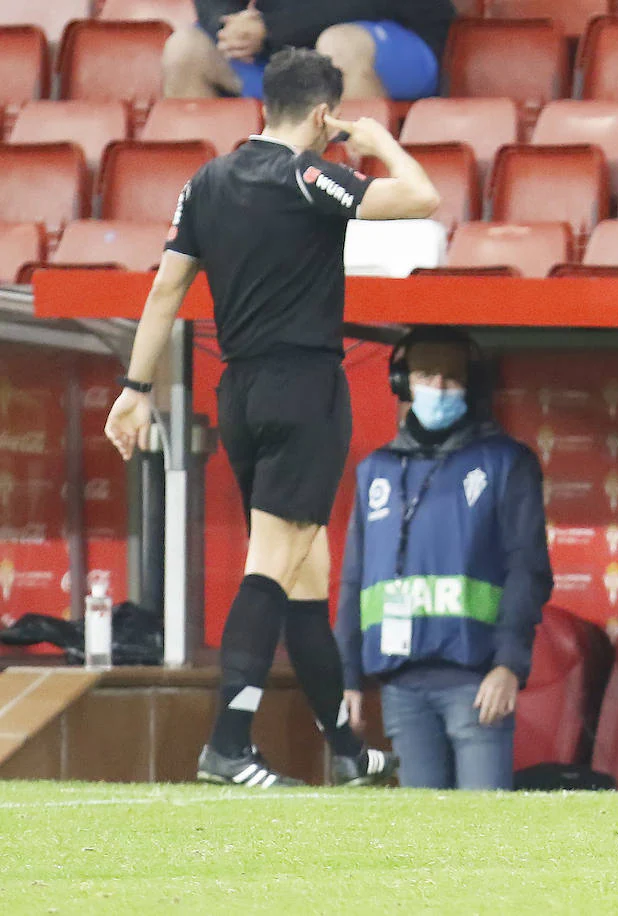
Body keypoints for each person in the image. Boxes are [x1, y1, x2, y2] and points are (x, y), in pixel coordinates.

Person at [104, 48, 442, 787]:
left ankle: (348, 754)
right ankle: (228, 744)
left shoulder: (207, 182)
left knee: (304, 574)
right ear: (324, 116)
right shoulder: (311, 175)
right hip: (304, 391)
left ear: (266, 106)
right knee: (271, 567)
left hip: (239, 394)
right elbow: (421, 199)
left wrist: (135, 389)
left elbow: (165, 293)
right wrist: (378, 141)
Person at [334, 328, 552, 790]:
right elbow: (354, 579)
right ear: (402, 382)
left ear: (472, 387)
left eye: (453, 377)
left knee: (482, 831)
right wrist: (346, 675)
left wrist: (509, 664)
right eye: (427, 374)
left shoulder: (506, 463)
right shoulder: (376, 470)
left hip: (476, 683)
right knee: (422, 837)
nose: (439, 386)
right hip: (400, 685)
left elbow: (527, 569)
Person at [164, 0, 455, 101]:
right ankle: (210, 205)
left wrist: (272, 28)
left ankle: (358, 195)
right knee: (185, 49)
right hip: (286, 49)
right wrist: (229, 27)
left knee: (339, 45)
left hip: (398, 43)